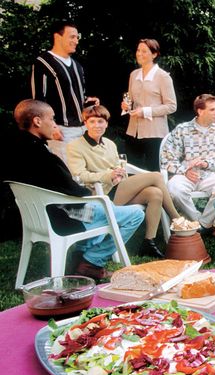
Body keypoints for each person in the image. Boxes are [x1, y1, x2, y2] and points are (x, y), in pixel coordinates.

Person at [5, 100, 143, 280]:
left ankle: (80, 257)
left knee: (99, 208)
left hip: (40, 216)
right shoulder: (41, 155)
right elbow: (75, 191)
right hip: (65, 216)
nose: (55, 124)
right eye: (52, 119)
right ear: (37, 121)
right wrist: (95, 196)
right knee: (135, 213)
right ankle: (91, 262)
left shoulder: (14, 149)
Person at [67, 105, 184, 258]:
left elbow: (117, 165)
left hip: (118, 187)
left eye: (100, 122)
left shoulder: (109, 144)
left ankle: (149, 242)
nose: (97, 125)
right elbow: (79, 175)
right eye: (92, 122)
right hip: (101, 193)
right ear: (86, 123)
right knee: (156, 176)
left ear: (106, 124)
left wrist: (118, 173)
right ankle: (177, 220)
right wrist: (108, 175)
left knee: (155, 193)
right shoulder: (75, 146)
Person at [161, 94, 215, 237]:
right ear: (200, 111)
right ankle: (199, 223)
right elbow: (167, 158)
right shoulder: (182, 130)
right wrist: (184, 171)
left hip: (210, 175)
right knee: (174, 188)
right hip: (186, 175)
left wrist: (208, 163)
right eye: (212, 110)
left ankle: (202, 224)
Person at [31, 21, 99, 161]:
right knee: (68, 176)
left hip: (84, 129)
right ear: (57, 37)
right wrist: (53, 127)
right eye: (72, 37)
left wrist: (89, 103)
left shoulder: (77, 66)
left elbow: (74, 97)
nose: (76, 41)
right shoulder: (43, 63)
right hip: (62, 131)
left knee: (87, 174)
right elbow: (38, 102)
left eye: (77, 37)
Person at [120, 38, 177, 172]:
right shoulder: (134, 75)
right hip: (133, 132)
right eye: (138, 50)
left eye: (144, 51)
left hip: (155, 133)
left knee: (154, 172)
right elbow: (130, 100)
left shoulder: (163, 77)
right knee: (132, 172)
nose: (140, 54)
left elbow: (171, 106)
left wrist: (145, 111)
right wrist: (126, 106)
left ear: (154, 54)